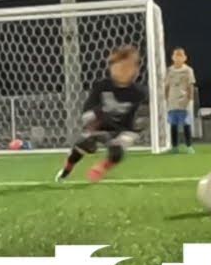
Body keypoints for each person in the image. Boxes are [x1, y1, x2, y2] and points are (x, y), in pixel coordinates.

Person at [56, 45, 147, 183]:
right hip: (100, 127)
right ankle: (66, 169)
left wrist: (133, 132)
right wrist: (92, 118)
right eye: (119, 67)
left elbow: (139, 117)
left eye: (128, 67)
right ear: (111, 67)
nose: (123, 71)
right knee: (83, 144)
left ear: (136, 70)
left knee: (117, 149)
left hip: (123, 130)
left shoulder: (139, 93)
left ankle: (101, 168)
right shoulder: (102, 86)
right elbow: (89, 108)